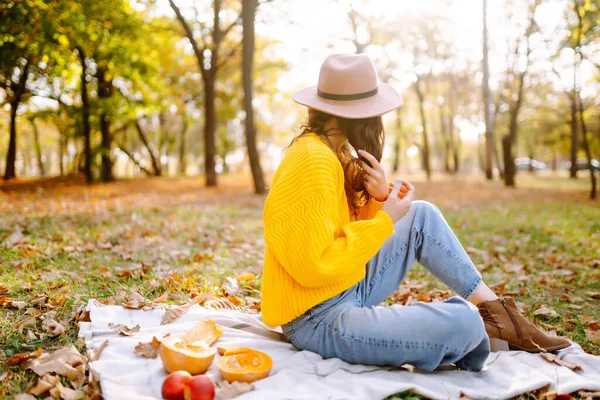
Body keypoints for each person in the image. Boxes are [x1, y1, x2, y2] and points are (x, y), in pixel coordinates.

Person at [260, 54, 570, 372]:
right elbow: (314, 264)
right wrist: (386, 219)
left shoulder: (332, 151)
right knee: (464, 324)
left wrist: (380, 198)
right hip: (317, 318)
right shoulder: (312, 159)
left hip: (341, 290)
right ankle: (477, 328)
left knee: (420, 215)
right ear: (358, 115)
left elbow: (340, 235)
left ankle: (500, 316)